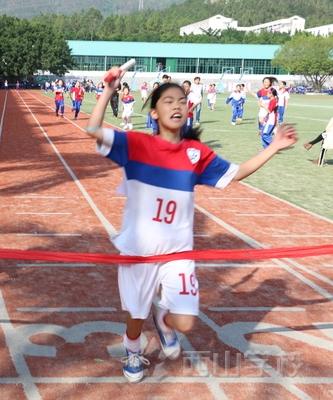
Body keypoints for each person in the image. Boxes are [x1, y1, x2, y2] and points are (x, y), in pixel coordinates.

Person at [84, 66, 297, 384]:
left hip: (178, 252)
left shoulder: (197, 153)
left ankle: (165, 320)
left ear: (188, 109)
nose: (177, 105)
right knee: (134, 317)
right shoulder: (136, 144)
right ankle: (132, 349)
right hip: (138, 251)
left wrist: (274, 147)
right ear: (154, 113)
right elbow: (93, 129)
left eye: (182, 100)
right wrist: (110, 91)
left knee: (184, 322)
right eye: (168, 101)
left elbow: (236, 173)